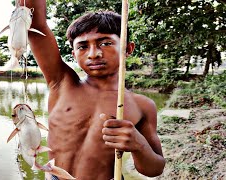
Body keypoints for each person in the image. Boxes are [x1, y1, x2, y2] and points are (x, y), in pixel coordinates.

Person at [21, 0, 165, 179]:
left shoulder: (142, 105)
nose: (93, 54)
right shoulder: (61, 82)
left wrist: (138, 145)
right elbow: (34, 23)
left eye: (105, 43)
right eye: (82, 47)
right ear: (73, 54)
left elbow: (155, 169)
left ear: (127, 48)